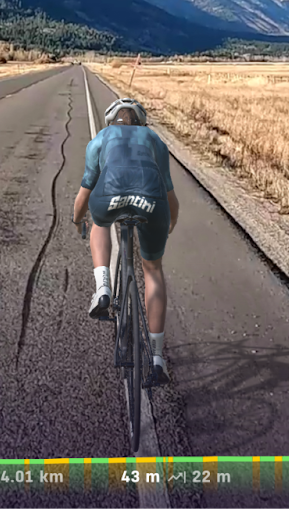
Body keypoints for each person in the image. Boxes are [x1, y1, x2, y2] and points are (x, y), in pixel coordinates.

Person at [72, 97, 179, 385]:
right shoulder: (154, 139)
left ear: (112, 120)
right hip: (153, 204)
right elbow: (171, 197)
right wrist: (169, 224)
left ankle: (103, 287)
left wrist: (77, 219)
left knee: (99, 224)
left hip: (108, 199)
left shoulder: (101, 138)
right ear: (141, 122)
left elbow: (85, 192)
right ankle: (157, 361)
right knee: (153, 271)